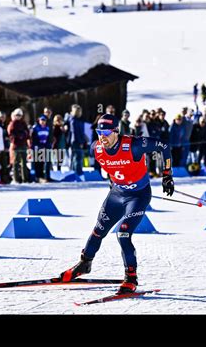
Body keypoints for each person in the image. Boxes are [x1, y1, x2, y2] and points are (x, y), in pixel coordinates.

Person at [59, 114, 174, 294]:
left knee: (123, 234)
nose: (102, 137)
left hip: (138, 196)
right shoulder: (95, 149)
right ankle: (84, 263)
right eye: (99, 132)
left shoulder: (134, 145)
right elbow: (113, 166)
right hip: (116, 195)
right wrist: (113, 181)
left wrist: (167, 175)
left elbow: (163, 146)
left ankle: (131, 278)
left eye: (106, 132)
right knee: (98, 230)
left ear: (116, 131)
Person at [7, 108, 30, 184]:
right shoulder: (13, 123)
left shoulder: (23, 123)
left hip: (23, 144)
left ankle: (25, 179)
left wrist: (24, 135)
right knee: (16, 162)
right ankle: (16, 179)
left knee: (24, 162)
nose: (18, 117)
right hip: (16, 145)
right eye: (17, 115)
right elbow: (10, 134)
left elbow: (27, 132)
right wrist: (16, 137)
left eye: (19, 115)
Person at [67, 104, 87, 179]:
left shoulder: (79, 120)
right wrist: (80, 142)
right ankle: (77, 174)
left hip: (79, 141)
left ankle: (77, 173)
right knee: (77, 158)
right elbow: (75, 132)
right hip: (76, 142)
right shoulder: (73, 120)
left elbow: (81, 132)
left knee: (78, 158)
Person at [31, 115, 51, 182]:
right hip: (37, 147)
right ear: (39, 120)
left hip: (44, 147)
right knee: (37, 162)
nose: (43, 122)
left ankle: (42, 176)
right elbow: (34, 138)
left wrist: (47, 145)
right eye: (41, 120)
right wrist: (36, 145)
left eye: (44, 120)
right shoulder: (36, 128)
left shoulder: (47, 128)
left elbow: (48, 138)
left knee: (42, 162)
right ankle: (37, 176)